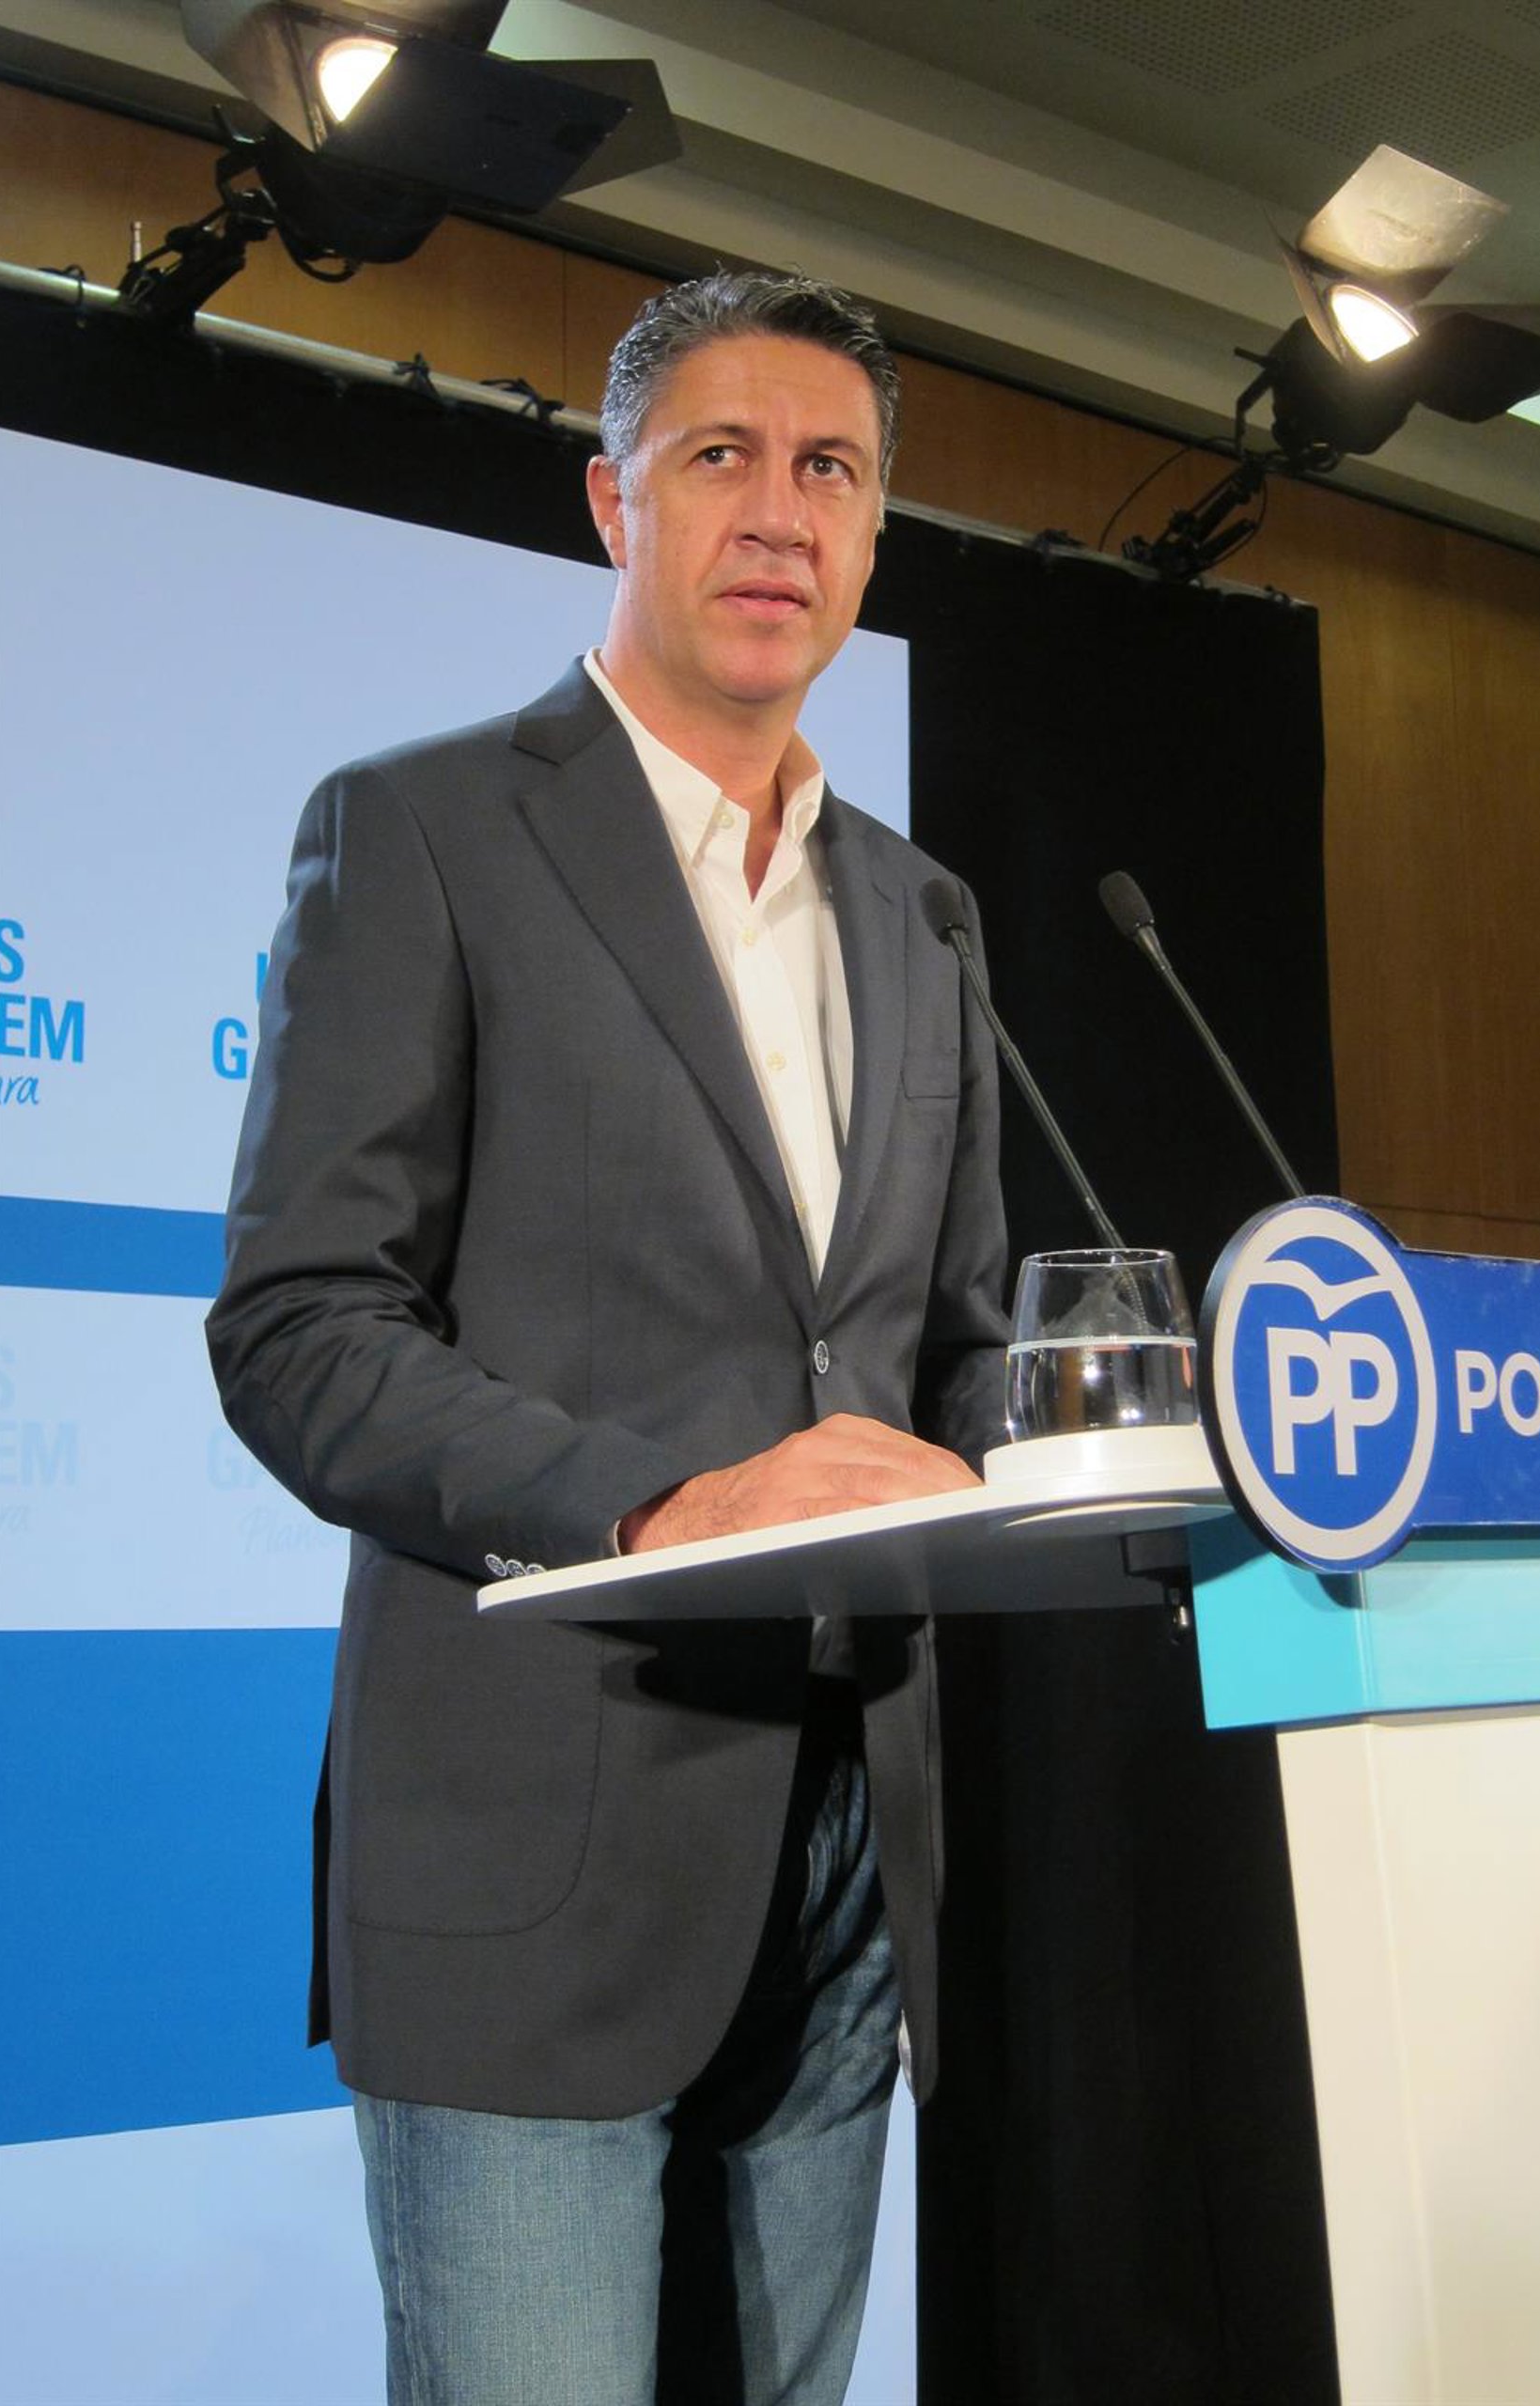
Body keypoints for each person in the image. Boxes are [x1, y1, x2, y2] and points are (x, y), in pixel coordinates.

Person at [206, 267, 1008, 2405]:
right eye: (720, 456)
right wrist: (661, 1504)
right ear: (611, 501)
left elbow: (950, 1354)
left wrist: (1131, 1429)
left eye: (831, 469)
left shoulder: (924, 915)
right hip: (534, 1843)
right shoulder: (426, 831)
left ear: (874, 533)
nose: (780, 512)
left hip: (847, 1857)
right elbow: (299, 1324)